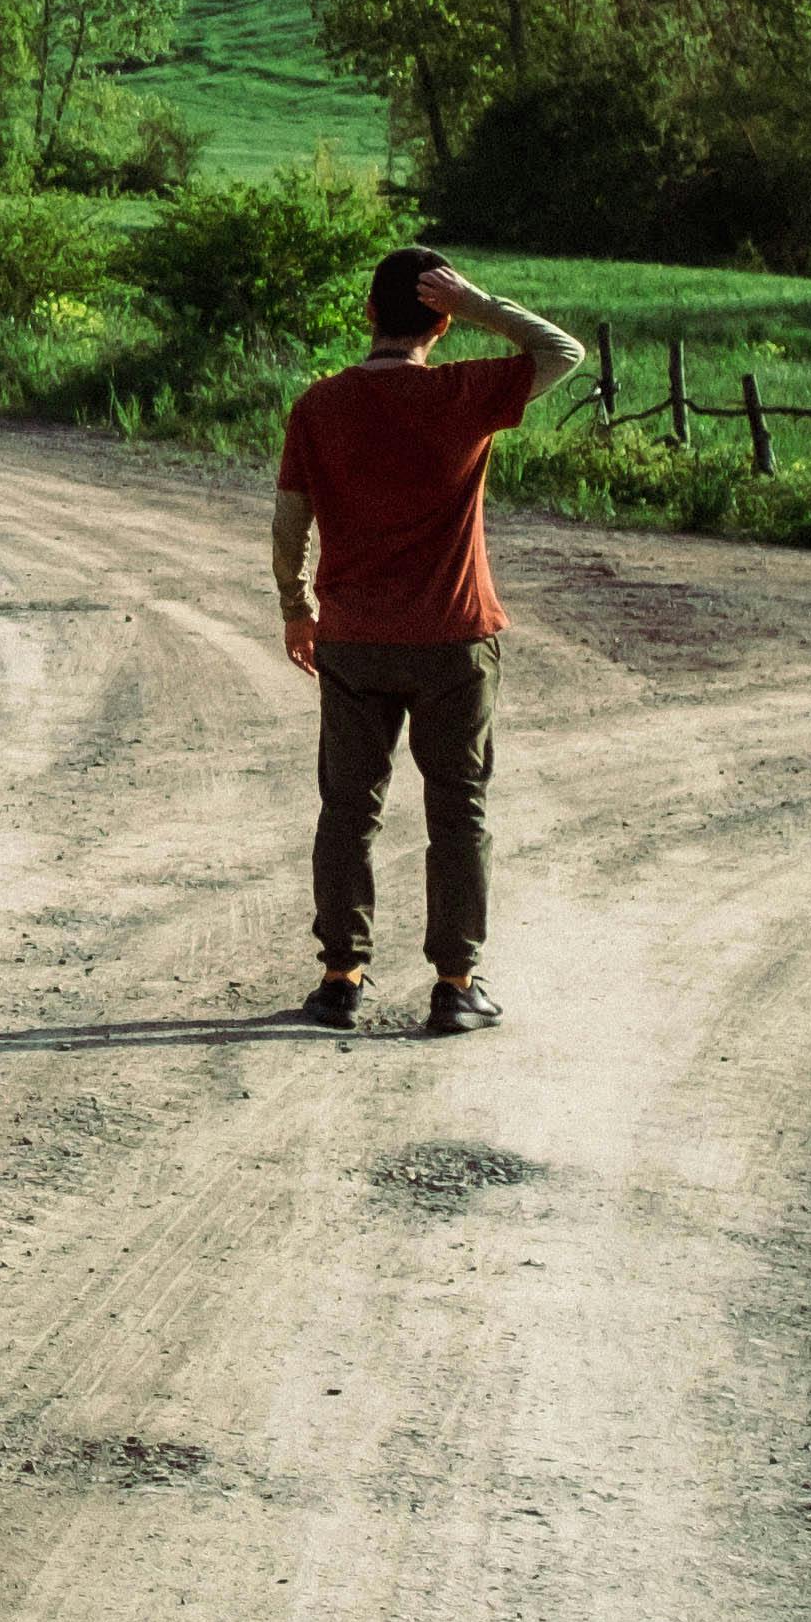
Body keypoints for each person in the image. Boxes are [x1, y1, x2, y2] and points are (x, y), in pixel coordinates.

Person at [269, 246, 582, 1036]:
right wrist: (477, 301)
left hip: (354, 642)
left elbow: (289, 522)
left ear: (369, 315)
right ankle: (455, 985)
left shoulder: (318, 406)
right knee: (459, 811)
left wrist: (294, 607)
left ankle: (341, 979)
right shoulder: (465, 391)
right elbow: (561, 352)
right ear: (439, 322)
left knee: (348, 808)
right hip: (454, 640)